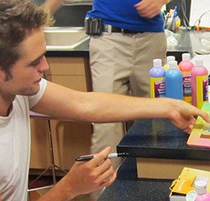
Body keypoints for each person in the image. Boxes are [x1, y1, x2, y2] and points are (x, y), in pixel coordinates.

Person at [0, 0, 209, 201]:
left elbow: (85, 104)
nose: (46, 66)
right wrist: (69, 188)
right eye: (34, 62)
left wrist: (169, 107)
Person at [43, 0, 170, 172]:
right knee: (106, 126)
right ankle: (104, 193)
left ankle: (158, 184)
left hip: (151, 40)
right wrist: (40, 17)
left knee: (157, 121)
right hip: (108, 39)